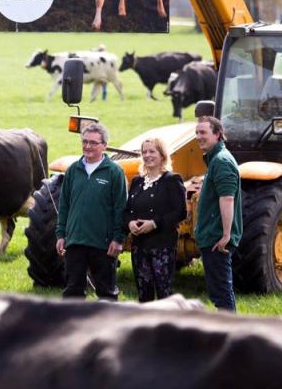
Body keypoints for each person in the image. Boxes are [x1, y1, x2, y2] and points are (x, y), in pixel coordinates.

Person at [55, 123, 127, 300]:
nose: (88, 146)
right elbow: (64, 205)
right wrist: (61, 234)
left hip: (103, 244)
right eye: (85, 141)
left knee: (107, 293)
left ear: (104, 145)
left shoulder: (114, 172)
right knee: (73, 291)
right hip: (75, 242)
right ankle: (74, 326)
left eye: (93, 143)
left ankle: (108, 326)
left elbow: (121, 208)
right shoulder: (73, 170)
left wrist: (118, 239)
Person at [123, 137, 186, 302]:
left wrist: (154, 223)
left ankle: (167, 327)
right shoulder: (137, 182)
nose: (147, 155)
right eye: (144, 152)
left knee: (164, 294)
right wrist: (129, 222)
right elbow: (127, 209)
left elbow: (180, 212)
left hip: (162, 246)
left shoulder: (172, 180)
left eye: (152, 151)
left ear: (162, 155)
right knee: (144, 294)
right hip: (139, 247)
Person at [194, 116, 243, 312]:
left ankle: (230, 335)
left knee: (222, 294)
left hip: (217, 239)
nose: (198, 137)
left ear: (217, 134)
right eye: (196, 133)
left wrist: (225, 235)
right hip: (212, 236)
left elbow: (227, 198)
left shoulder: (221, 161)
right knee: (219, 292)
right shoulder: (215, 159)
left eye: (203, 132)